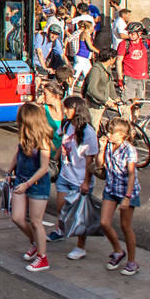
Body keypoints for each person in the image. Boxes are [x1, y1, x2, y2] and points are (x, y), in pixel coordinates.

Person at [8, 102, 55, 272]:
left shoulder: (42, 140)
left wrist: (27, 184)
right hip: (21, 179)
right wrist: (10, 169)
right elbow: (18, 152)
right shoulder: (24, 135)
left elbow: (44, 167)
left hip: (37, 184)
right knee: (17, 217)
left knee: (36, 221)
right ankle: (35, 243)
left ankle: (43, 258)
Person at [51, 96, 98, 259]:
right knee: (60, 207)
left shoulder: (88, 132)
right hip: (65, 174)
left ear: (76, 110)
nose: (65, 111)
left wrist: (86, 181)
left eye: (68, 108)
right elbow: (62, 145)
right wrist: (54, 159)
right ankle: (60, 230)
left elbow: (90, 159)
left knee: (80, 216)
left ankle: (80, 246)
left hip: (79, 179)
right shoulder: (66, 124)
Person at [93, 119, 140, 276]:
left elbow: (132, 174)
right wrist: (101, 148)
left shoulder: (129, 150)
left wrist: (127, 197)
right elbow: (100, 165)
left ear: (122, 135)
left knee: (126, 226)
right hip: (111, 188)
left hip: (126, 190)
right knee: (104, 222)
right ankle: (118, 251)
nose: (108, 134)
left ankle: (132, 261)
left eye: (111, 132)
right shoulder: (108, 145)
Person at [115, 22, 150, 105]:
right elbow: (118, 61)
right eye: (129, 33)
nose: (130, 36)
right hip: (129, 78)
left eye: (132, 33)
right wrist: (120, 78)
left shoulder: (144, 42)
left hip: (142, 78)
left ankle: (135, 118)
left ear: (139, 33)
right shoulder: (124, 44)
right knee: (127, 104)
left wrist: (149, 33)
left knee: (138, 104)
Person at [82, 49, 123, 117]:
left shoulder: (107, 68)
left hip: (103, 99)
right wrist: (105, 101)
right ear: (110, 59)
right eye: (114, 59)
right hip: (94, 102)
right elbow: (91, 89)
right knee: (94, 124)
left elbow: (110, 84)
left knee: (124, 109)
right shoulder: (96, 70)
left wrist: (115, 97)